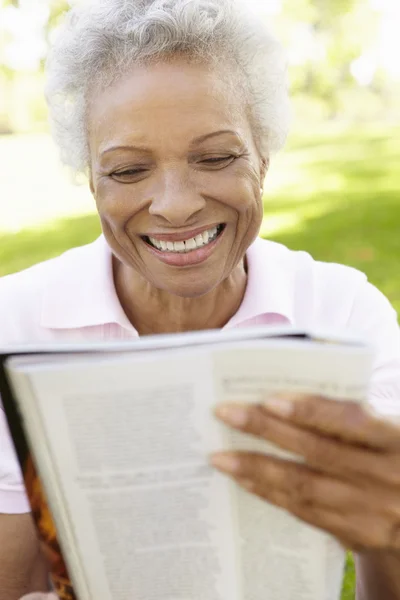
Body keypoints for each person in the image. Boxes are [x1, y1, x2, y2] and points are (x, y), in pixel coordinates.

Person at [0, 0, 399, 598]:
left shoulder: (341, 313)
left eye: (215, 158)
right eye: (129, 170)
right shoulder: (16, 322)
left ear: (262, 158)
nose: (175, 204)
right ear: (91, 180)